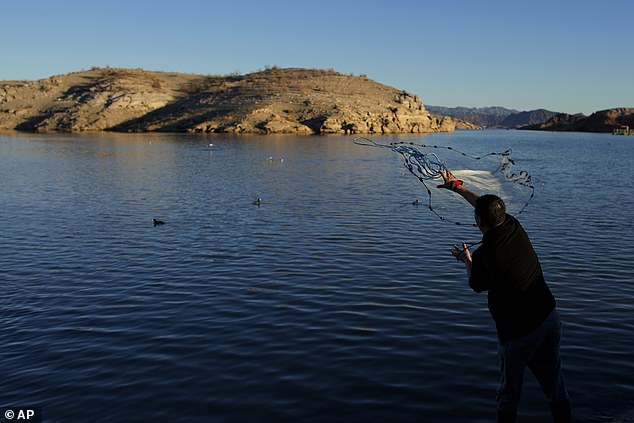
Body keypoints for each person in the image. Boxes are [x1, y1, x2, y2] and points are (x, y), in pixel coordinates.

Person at [438, 169, 571, 423]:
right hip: (549, 318)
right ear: (501, 214)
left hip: (519, 333)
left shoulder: (483, 256)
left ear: (478, 221)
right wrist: (456, 187)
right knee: (555, 386)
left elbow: (476, 285)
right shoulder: (513, 225)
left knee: (508, 395)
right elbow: (483, 204)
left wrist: (467, 261)